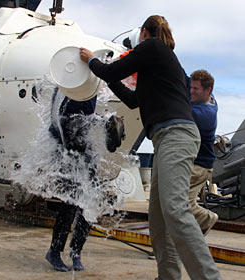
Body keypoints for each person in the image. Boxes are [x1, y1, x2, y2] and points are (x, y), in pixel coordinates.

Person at [80, 15, 222, 280]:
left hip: (176, 135)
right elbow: (134, 101)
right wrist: (110, 80)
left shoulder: (153, 47)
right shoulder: (166, 68)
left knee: (175, 208)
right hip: (167, 138)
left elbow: (111, 70)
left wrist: (90, 60)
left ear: (144, 33)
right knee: (159, 221)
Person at [45, 88, 97, 272]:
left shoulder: (91, 85)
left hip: (84, 146)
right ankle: (55, 251)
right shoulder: (65, 86)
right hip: (66, 147)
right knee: (70, 203)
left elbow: (89, 116)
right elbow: (56, 118)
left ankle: (76, 251)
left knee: (91, 202)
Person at [189, 70, 218, 235]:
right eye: (191, 87)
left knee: (179, 204)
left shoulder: (202, 114)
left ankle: (206, 219)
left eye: (195, 89)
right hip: (199, 163)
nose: (191, 91)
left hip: (199, 166)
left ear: (208, 90)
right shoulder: (212, 101)